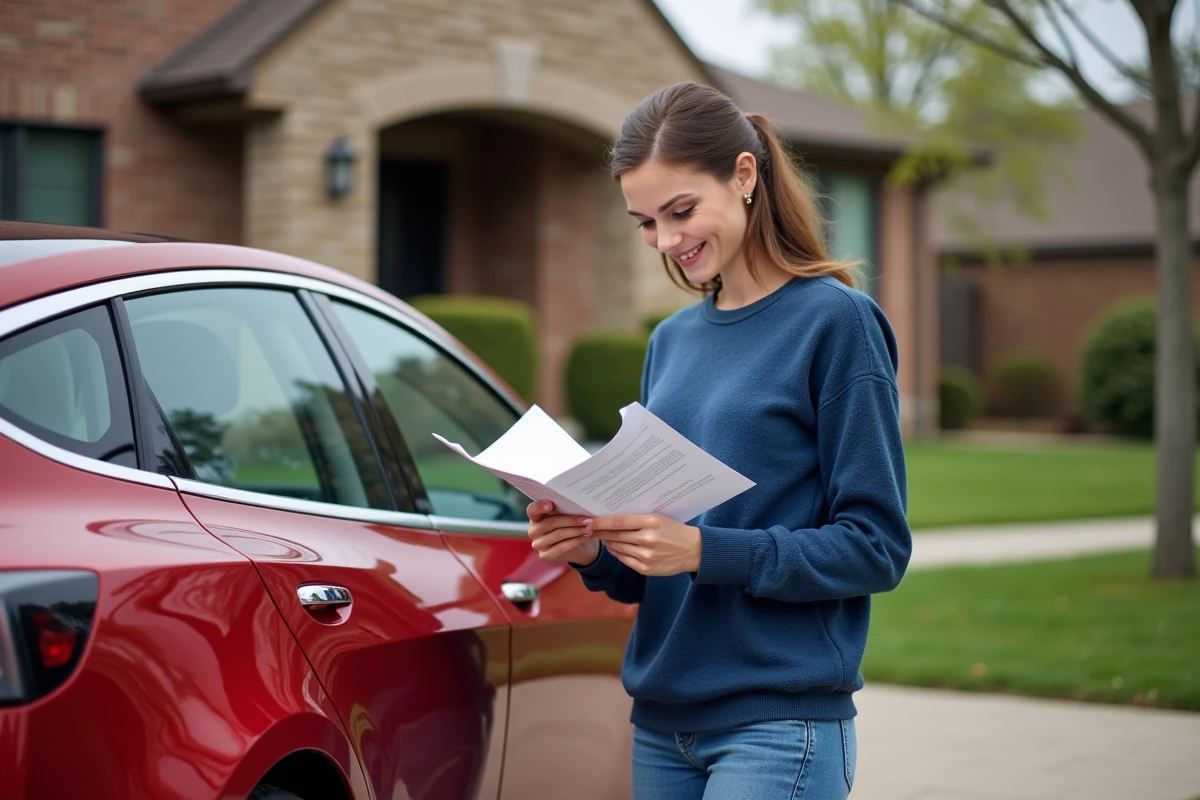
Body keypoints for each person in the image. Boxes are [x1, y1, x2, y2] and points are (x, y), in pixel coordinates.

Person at [526, 81, 911, 800]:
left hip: (776, 723)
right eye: (645, 222)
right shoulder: (670, 342)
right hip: (662, 722)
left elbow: (876, 545)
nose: (666, 242)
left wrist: (706, 551)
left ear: (743, 175)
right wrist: (594, 550)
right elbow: (658, 558)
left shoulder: (837, 324)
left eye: (679, 212)